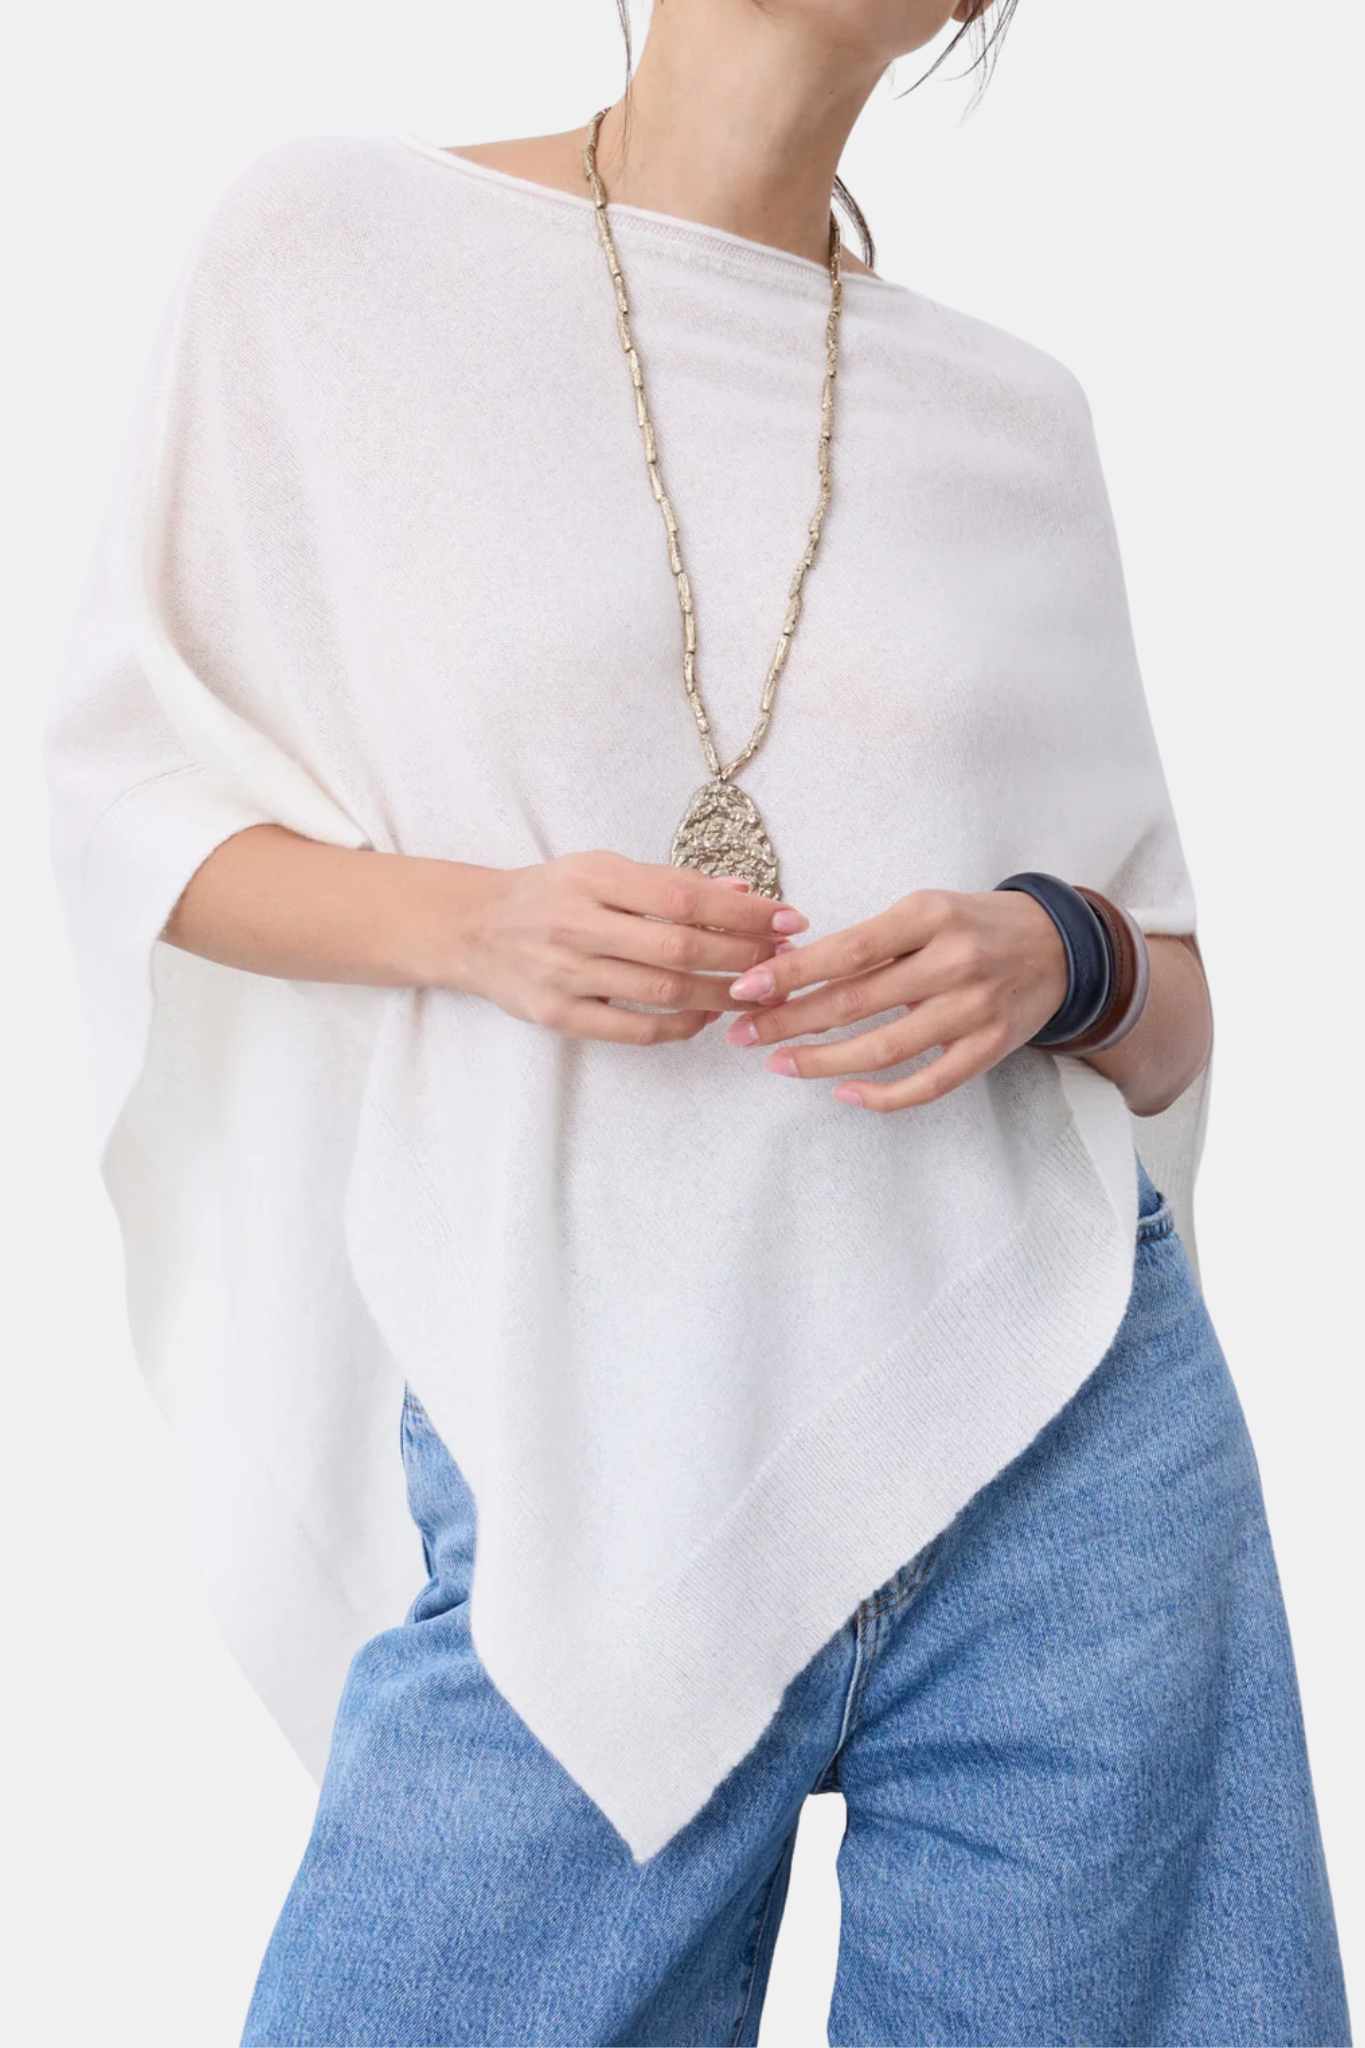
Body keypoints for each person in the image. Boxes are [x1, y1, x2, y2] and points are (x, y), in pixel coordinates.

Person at [46, 2, 1350, 2043]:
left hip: (1062, 1434)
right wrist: (476, 926)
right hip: (586, 1430)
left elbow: (1168, 1006)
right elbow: (118, 806)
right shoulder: (332, 251)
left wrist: (1053, 947)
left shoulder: (1010, 419)